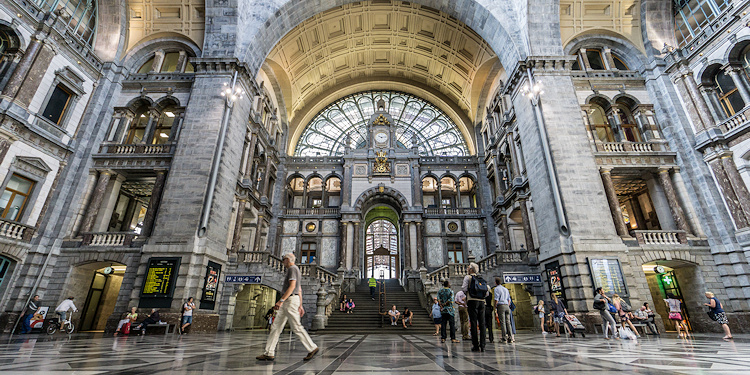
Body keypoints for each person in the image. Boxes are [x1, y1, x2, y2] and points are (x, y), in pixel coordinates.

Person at [257, 253, 319, 361]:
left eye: (283, 260)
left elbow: (292, 287)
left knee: (296, 327)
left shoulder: (292, 269)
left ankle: (312, 347)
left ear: (287, 260)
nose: (282, 262)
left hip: (289, 301)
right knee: (275, 327)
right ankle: (269, 352)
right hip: (290, 301)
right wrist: (300, 304)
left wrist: (281, 301)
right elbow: (299, 289)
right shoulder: (295, 270)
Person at [462, 263, 488, 352]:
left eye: (468, 267)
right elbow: (487, 292)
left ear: (471, 270)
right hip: (482, 302)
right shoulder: (481, 278)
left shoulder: (468, 277)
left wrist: (468, 294)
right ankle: (483, 345)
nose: (467, 269)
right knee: (482, 323)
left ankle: (476, 345)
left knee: (473, 323)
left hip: (472, 300)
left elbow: (464, 289)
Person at [493, 277, 513, 343]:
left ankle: (504, 338)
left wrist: (495, 307)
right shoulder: (505, 289)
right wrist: (508, 305)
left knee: (502, 322)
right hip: (507, 306)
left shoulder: (496, 289)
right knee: (508, 322)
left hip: (501, 306)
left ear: (495, 282)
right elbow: (509, 299)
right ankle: (510, 338)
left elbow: (496, 299)